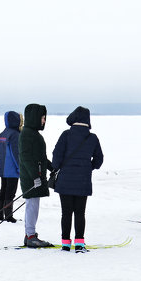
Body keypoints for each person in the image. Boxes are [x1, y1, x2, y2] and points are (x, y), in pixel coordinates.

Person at [51, 106, 104, 252]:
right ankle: (79, 243)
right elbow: (99, 160)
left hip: (65, 180)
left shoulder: (66, 135)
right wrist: (88, 167)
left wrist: (59, 167)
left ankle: (66, 244)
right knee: (80, 213)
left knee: (66, 213)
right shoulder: (92, 137)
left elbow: (56, 157)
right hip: (83, 180)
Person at [18, 104, 55, 248]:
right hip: (31, 178)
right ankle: (31, 236)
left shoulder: (33, 134)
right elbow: (26, 157)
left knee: (33, 205)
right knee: (32, 206)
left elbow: (41, 157)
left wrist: (52, 167)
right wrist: (35, 177)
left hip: (36, 176)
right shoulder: (27, 134)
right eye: (42, 118)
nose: (44, 121)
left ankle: (29, 235)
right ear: (35, 118)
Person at [0, 111, 21, 222]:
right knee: (10, 192)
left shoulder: (2, 134)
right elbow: (16, 153)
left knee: (3, 190)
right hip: (11, 169)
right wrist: (20, 167)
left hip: (2, 168)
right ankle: (8, 215)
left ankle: (0, 215)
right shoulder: (15, 135)